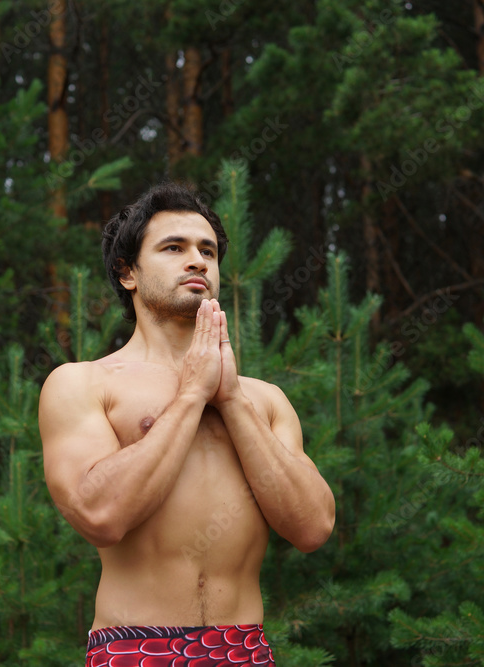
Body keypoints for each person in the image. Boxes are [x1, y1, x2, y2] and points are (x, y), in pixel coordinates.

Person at [38, 182, 335, 666]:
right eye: (173, 248)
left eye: (207, 251)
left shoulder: (263, 399)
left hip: (243, 649)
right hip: (135, 646)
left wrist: (231, 400)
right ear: (127, 272)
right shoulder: (83, 383)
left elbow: (313, 527)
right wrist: (193, 395)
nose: (197, 261)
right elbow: (99, 516)